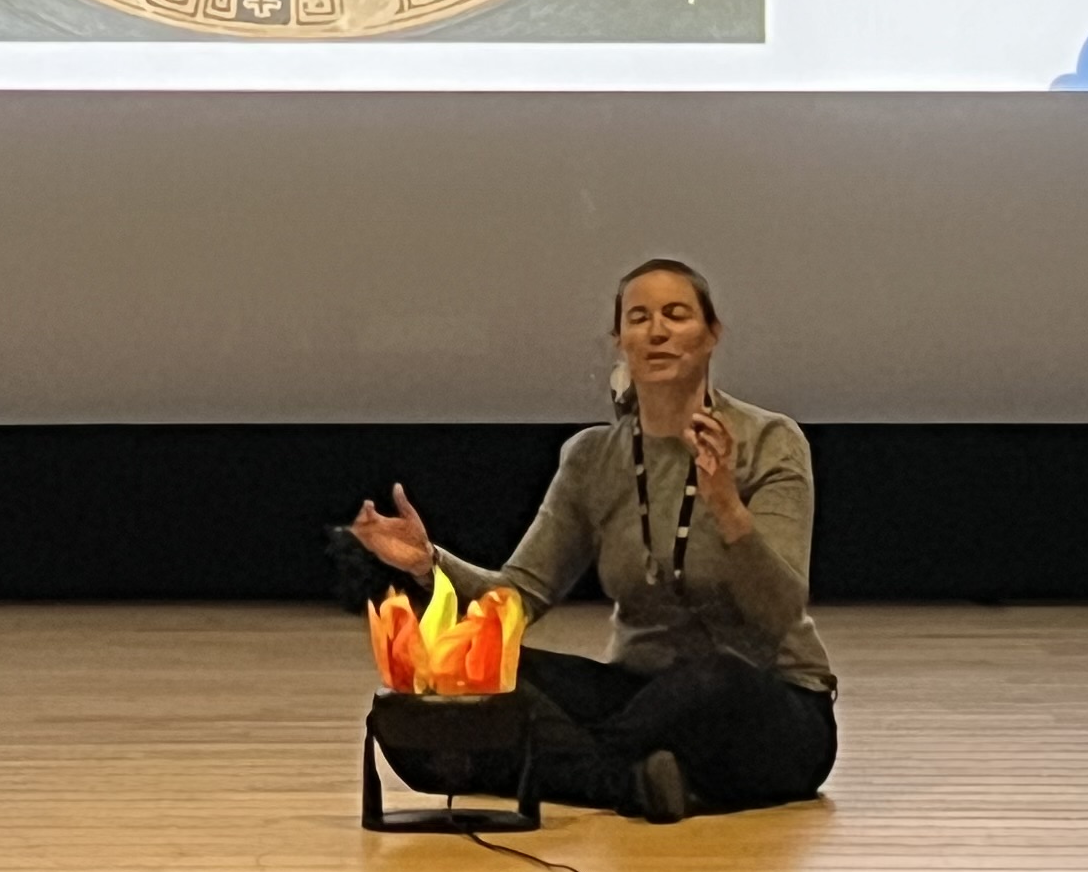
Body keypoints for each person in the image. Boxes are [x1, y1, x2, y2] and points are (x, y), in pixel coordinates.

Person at [350, 258, 835, 823]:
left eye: (676, 315)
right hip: (639, 695)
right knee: (458, 682)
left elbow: (778, 610)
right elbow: (516, 600)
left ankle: (560, 764)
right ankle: (632, 782)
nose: (656, 331)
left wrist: (726, 504)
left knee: (711, 678)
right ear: (619, 341)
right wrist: (427, 564)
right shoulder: (592, 459)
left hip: (766, 707)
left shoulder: (769, 442)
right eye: (639, 318)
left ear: (711, 336)